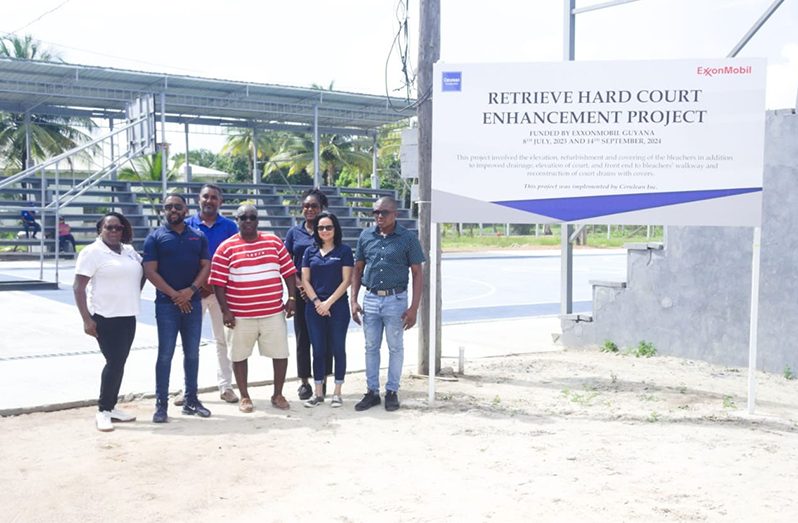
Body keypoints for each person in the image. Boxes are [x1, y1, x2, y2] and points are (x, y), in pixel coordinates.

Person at [209, 204, 297, 413]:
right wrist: (225, 311)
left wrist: (292, 297)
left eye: (252, 217)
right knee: (239, 356)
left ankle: (278, 394)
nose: (248, 221)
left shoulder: (274, 242)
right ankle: (245, 396)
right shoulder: (226, 247)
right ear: (236, 221)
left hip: (272, 312)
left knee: (280, 353)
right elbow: (218, 283)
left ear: (258, 220)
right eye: (243, 218)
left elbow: (288, 272)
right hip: (240, 315)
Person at [350, 196, 425, 412]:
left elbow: (417, 273)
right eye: (375, 213)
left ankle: (392, 391)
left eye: (384, 212)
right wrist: (353, 300)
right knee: (371, 346)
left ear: (395, 214)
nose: (379, 216)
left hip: (396, 300)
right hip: (371, 299)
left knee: (395, 347)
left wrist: (414, 308)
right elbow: (357, 269)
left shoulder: (407, 239)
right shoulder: (366, 236)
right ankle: (372, 391)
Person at [143, 193, 212, 423]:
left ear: (186, 210)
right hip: (167, 305)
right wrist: (175, 295)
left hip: (192, 302)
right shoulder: (155, 238)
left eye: (177, 206)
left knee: (192, 353)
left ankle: (191, 400)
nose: (173, 210)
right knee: (165, 354)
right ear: (164, 210)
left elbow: (206, 266)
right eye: (168, 207)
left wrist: (190, 291)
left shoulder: (198, 236)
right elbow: (150, 271)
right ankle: (161, 405)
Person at [73, 212, 144, 432]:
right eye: (109, 227)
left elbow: (144, 273)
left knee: (119, 363)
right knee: (113, 363)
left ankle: (111, 408)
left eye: (118, 228)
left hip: (128, 316)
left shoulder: (129, 251)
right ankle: (103, 410)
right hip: (105, 318)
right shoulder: (92, 253)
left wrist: (133, 292)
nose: (114, 231)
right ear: (100, 230)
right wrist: (86, 319)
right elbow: (78, 288)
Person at [182, 183, 240, 405]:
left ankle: (226, 386)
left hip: (220, 294)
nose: (209, 200)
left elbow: (235, 258)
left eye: (214, 197)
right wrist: (198, 284)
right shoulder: (187, 225)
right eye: (205, 197)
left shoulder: (229, 227)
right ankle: (188, 389)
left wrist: (215, 284)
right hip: (193, 292)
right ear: (199, 199)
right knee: (190, 342)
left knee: (224, 340)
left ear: (220, 202)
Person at [283, 188, 333, 400]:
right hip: (302, 296)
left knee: (325, 339)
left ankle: (322, 379)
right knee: (303, 339)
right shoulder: (294, 233)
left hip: (324, 296)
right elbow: (285, 263)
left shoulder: (329, 230)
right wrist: (299, 287)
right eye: (306, 206)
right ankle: (304, 382)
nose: (309, 209)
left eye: (314, 206)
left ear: (322, 208)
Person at [301, 212, 353, 408]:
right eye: (321, 228)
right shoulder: (309, 252)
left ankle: (337, 392)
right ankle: (318, 392)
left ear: (335, 229)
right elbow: (305, 279)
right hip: (313, 308)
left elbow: (347, 280)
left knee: (338, 349)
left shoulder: (344, 251)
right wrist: (317, 302)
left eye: (328, 227)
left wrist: (328, 303)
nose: (324, 231)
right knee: (318, 350)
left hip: (337, 308)